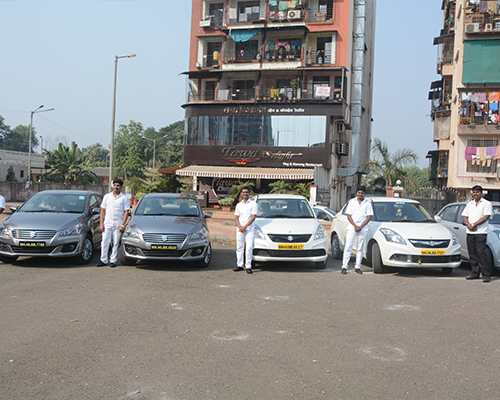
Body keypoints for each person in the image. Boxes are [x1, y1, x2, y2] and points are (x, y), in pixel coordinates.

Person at [462, 185, 493, 282]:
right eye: (474, 192)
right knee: (472, 253)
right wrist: (468, 225)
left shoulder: (486, 203)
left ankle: (486, 274)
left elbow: (485, 217)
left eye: (477, 192)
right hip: (470, 232)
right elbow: (465, 216)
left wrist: (474, 224)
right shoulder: (469, 204)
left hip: (481, 232)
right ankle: (475, 273)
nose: (475, 194)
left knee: (481, 253)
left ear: (481, 193)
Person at [97, 179, 130, 268]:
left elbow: (126, 212)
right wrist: (101, 223)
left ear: (121, 187)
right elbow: (103, 210)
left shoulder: (124, 198)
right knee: (105, 242)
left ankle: (113, 260)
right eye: (114, 185)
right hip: (107, 223)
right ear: (112, 186)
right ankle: (103, 260)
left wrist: (123, 224)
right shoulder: (107, 197)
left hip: (118, 224)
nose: (116, 187)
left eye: (118, 185)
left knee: (115, 243)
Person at [341, 186, 374, 275]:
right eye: (359, 193)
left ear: (364, 194)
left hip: (363, 228)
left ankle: (358, 267)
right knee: (348, 247)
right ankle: (344, 266)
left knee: (360, 248)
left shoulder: (368, 203)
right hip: (352, 227)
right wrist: (355, 226)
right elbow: (349, 216)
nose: (360, 194)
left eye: (362, 193)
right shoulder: (352, 202)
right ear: (357, 193)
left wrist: (360, 226)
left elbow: (369, 217)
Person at [233, 187, 258, 274]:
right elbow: (236, 217)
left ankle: (248, 266)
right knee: (239, 247)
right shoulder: (238, 205)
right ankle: (239, 265)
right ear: (241, 194)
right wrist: (240, 226)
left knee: (249, 247)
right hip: (240, 229)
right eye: (243, 192)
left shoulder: (253, 204)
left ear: (249, 193)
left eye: (247, 192)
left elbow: (253, 217)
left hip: (249, 229)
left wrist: (245, 227)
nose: (245, 194)